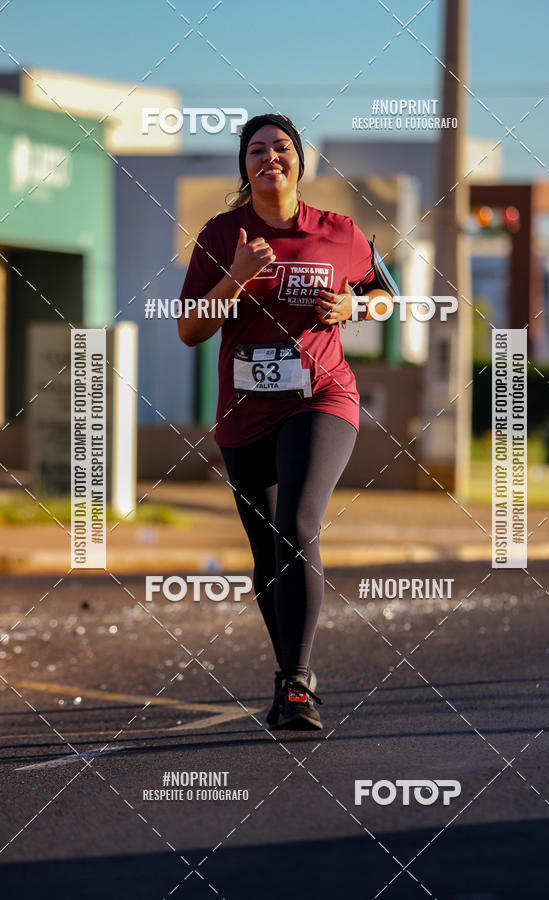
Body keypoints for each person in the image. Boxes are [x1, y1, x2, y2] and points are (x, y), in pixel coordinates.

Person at [178, 113, 391, 730]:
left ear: (301, 160)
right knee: (268, 548)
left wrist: (356, 304)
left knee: (298, 520)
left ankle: (296, 684)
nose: (270, 158)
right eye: (256, 151)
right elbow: (191, 328)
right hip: (245, 413)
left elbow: (385, 294)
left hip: (322, 397)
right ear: (242, 166)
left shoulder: (340, 232)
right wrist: (237, 277)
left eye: (282, 148)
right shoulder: (222, 234)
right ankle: (288, 670)